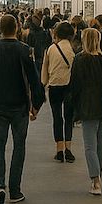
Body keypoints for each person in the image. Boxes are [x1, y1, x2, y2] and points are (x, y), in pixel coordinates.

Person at [0, 14, 45, 204]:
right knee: (19, 146)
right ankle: (15, 189)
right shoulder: (24, 50)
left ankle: (0, 184)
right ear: (17, 28)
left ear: (0, 29)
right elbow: (35, 80)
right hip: (20, 106)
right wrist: (36, 104)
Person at [68, 27, 102, 195]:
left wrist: (74, 108)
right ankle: (98, 177)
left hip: (87, 106)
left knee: (89, 146)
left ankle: (95, 180)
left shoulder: (80, 60)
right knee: (100, 145)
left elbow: (74, 85)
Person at [40, 21, 76, 163]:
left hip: (54, 86)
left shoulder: (51, 49)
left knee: (57, 118)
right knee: (68, 118)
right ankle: (68, 149)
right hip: (69, 86)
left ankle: (59, 149)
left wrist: (43, 86)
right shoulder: (73, 50)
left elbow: (44, 70)